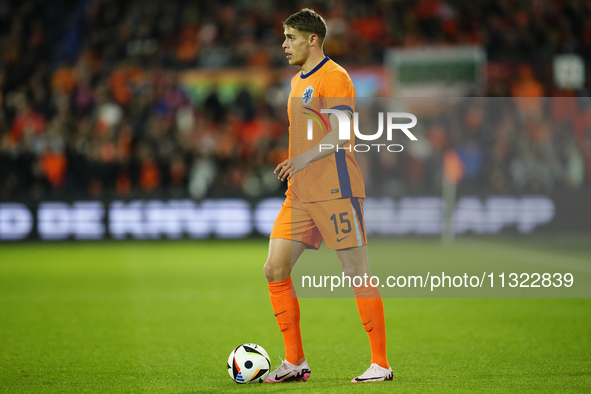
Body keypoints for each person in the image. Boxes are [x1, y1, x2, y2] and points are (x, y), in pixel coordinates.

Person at [263, 8, 392, 384]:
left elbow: (341, 134)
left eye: (290, 37)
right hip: (300, 195)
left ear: (312, 39)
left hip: (336, 190)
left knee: (356, 273)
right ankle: (295, 362)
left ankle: (380, 365)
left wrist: (300, 159)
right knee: (274, 268)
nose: (284, 44)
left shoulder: (335, 78)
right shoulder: (295, 82)